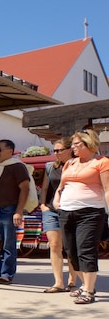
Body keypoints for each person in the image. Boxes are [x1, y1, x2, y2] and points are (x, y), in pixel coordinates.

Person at [53, 129, 109, 305]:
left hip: (91, 212)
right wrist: (56, 199)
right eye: (73, 144)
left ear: (89, 144)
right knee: (71, 251)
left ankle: (89, 290)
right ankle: (85, 285)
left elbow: (107, 189)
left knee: (85, 249)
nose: (73, 147)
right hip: (66, 211)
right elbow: (61, 186)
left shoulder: (102, 162)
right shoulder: (70, 163)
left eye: (77, 144)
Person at [0, 139, 36, 285]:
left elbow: (25, 188)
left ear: (10, 151)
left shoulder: (17, 166)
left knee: (8, 243)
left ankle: (6, 274)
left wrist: (18, 211)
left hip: (8, 209)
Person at [40, 139, 80, 293]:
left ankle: (72, 280)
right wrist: (42, 205)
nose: (56, 153)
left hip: (71, 209)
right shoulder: (50, 167)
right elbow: (45, 188)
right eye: (54, 150)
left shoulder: (78, 166)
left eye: (59, 150)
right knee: (55, 245)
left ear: (69, 149)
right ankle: (58, 282)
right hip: (51, 209)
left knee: (70, 246)